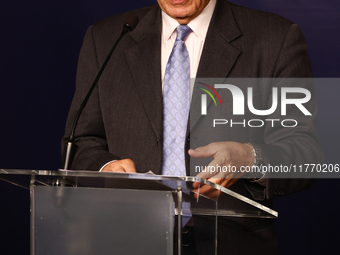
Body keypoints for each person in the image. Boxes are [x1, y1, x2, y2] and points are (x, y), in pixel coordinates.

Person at [62, 0, 323, 254]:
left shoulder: (275, 37)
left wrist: (250, 158)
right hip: (127, 239)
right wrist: (107, 169)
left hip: (231, 243)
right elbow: (81, 142)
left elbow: (306, 152)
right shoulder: (106, 37)